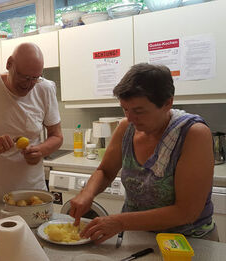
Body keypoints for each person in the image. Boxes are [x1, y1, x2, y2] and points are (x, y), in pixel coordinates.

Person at [69, 63, 217, 244]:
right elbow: (106, 171)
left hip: (187, 242)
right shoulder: (126, 127)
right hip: (138, 236)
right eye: (125, 109)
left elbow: (187, 212)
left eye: (139, 111)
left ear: (167, 103)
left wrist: (119, 222)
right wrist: (88, 193)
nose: (130, 118)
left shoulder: (193, 134)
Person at [0, 43, 63, 202]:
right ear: (9, 64)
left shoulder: (45, 89)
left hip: (33, 194)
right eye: (24, 77)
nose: (28, 84)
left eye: (35, 78)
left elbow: (57, 136)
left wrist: (41, 150)